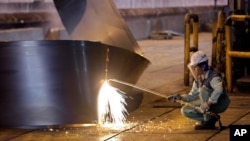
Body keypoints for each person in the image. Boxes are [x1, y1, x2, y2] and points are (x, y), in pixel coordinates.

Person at [167, 50, 230, 130]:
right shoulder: (199, 79)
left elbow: (219, 90)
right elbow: (192, 95)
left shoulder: (214, 76)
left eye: (194, 67)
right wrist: (180, 97)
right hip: (207, 102)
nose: (193, 70)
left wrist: (208, 104)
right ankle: (210, 119)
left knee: (204, 90)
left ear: (202, 66)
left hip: (220, 102)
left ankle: (208, 120)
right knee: (186, 110)